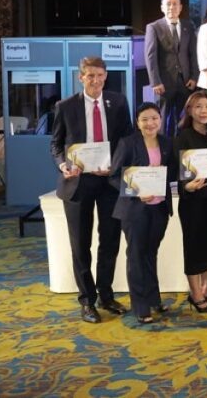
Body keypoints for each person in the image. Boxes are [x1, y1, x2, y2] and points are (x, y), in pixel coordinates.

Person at [50, 56, 133, 323]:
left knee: (110, 240)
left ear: (105, 76)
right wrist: (63, 164)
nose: (95, 81)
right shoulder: (65, 106)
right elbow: (56, 144)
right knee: (81, 244)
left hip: (110, 182)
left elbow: (127, 139)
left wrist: (115, 166)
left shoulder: (118, 102)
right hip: (78, 183)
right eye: (90, 76)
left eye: (99, 75)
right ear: (81, 78)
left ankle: (106, 295)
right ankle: (87, 301)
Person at [109, 103, 175, 324]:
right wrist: (137, 192)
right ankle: (140, 306)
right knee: (136, 255)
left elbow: (173, 172)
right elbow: (114, 176)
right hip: (134, 210)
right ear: (137, 122)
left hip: (160, 208)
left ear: (160, 119)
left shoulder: (167, 143)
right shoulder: (128, 143)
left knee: (150, 253)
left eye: (154, 118)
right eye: (144, 119)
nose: (150, 123)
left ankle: (154, 300)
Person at [175, 91, 207, 313]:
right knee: (194, 248)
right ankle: (195, 294)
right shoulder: (183, 137)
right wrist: (187, 186)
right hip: (193, 202)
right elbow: (177, 172)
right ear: (189, 110)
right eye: (198, 107)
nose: (204, 111)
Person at [144, 0, 198, 136]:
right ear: (162, 7)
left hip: (185, 81)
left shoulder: (188, 26)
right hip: (164, 82)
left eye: (175, 4)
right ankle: (163, 146)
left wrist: (194, 77)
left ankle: (181, 145)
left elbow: (193, 54)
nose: (172, 7)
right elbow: (150, 56)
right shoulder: (154, 27)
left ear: (180, 7)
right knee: (162, 118)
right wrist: (155, 82)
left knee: (184, 119)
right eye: (168, 4)